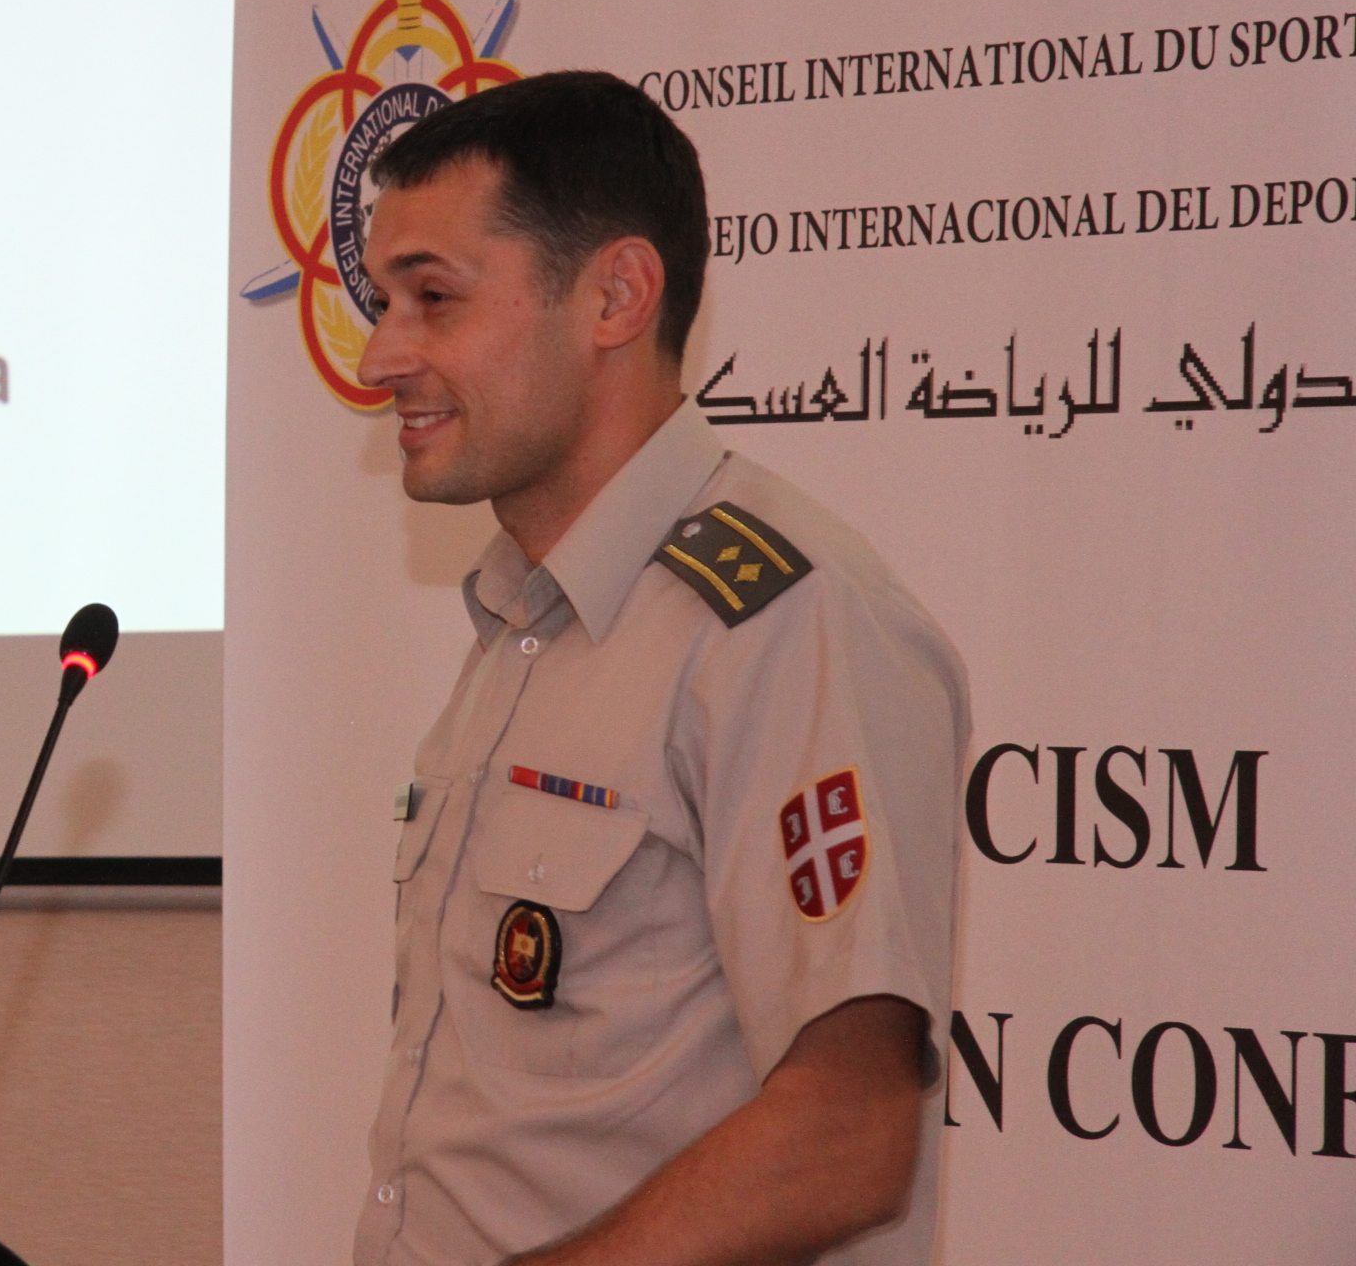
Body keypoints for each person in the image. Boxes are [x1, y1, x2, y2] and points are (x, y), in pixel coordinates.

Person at [347, 71, 968, 1266]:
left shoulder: (784, 622)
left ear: (617, 296)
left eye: (433, 298)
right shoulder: (522, 616)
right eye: (385, 302)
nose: (381, 356)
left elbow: (849, 1131)